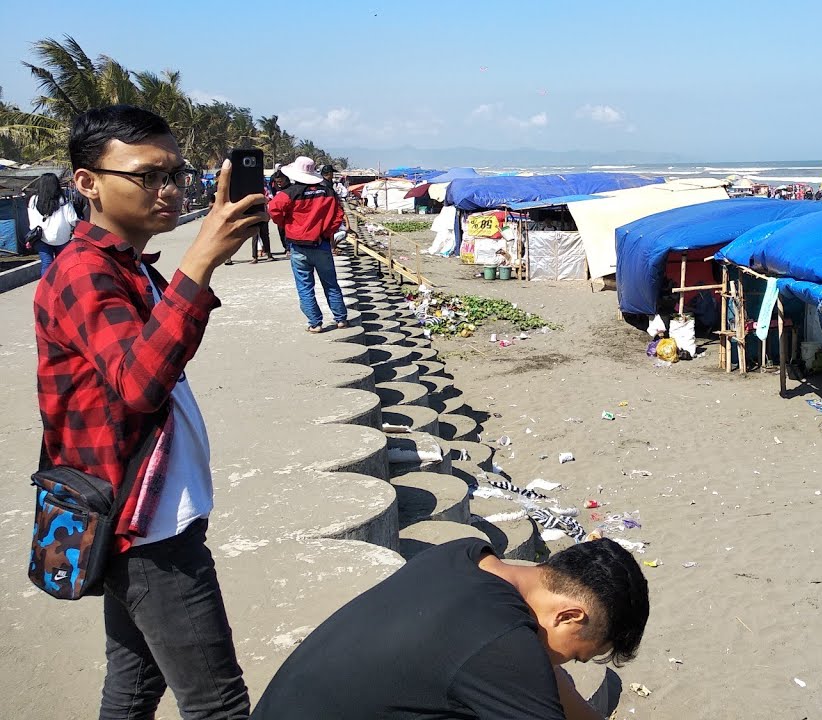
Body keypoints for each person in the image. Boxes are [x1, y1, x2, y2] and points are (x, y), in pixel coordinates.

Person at [33, 104, 266, 718]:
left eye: (178, 174)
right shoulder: (84, 271)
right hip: (145, 525)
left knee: (134, 684)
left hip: (143, 509)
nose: (169, 189)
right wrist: (201, 259)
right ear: (87, 182)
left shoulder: (126, 266)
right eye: (148, 176)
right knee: (218, 703)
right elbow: (139, 384)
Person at [251, 538, 649, 720]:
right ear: (569, 616)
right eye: (579, 654)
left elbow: (540, 674)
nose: (568, 662)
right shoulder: (503, 644)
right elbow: (520, 664)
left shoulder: (467, 554)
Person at [267, 156, 348, 332]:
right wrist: (327, 233)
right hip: (321, 244)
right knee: (331, 283)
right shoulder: (327, 191)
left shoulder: (289, 193)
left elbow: (273, 210)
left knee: (305, 286)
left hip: (298, 246)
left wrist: (285, 223)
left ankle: (315, 322)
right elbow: (338, 215)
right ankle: (341, 319)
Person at [25, 172, 79, 276]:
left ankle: (46, 289)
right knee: (63, 264)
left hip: (41, 238)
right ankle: (62, 287)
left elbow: (32, 225)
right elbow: (72, 219)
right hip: (62, 238)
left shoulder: (33, 200)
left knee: (47, 264)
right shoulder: (62, 200)